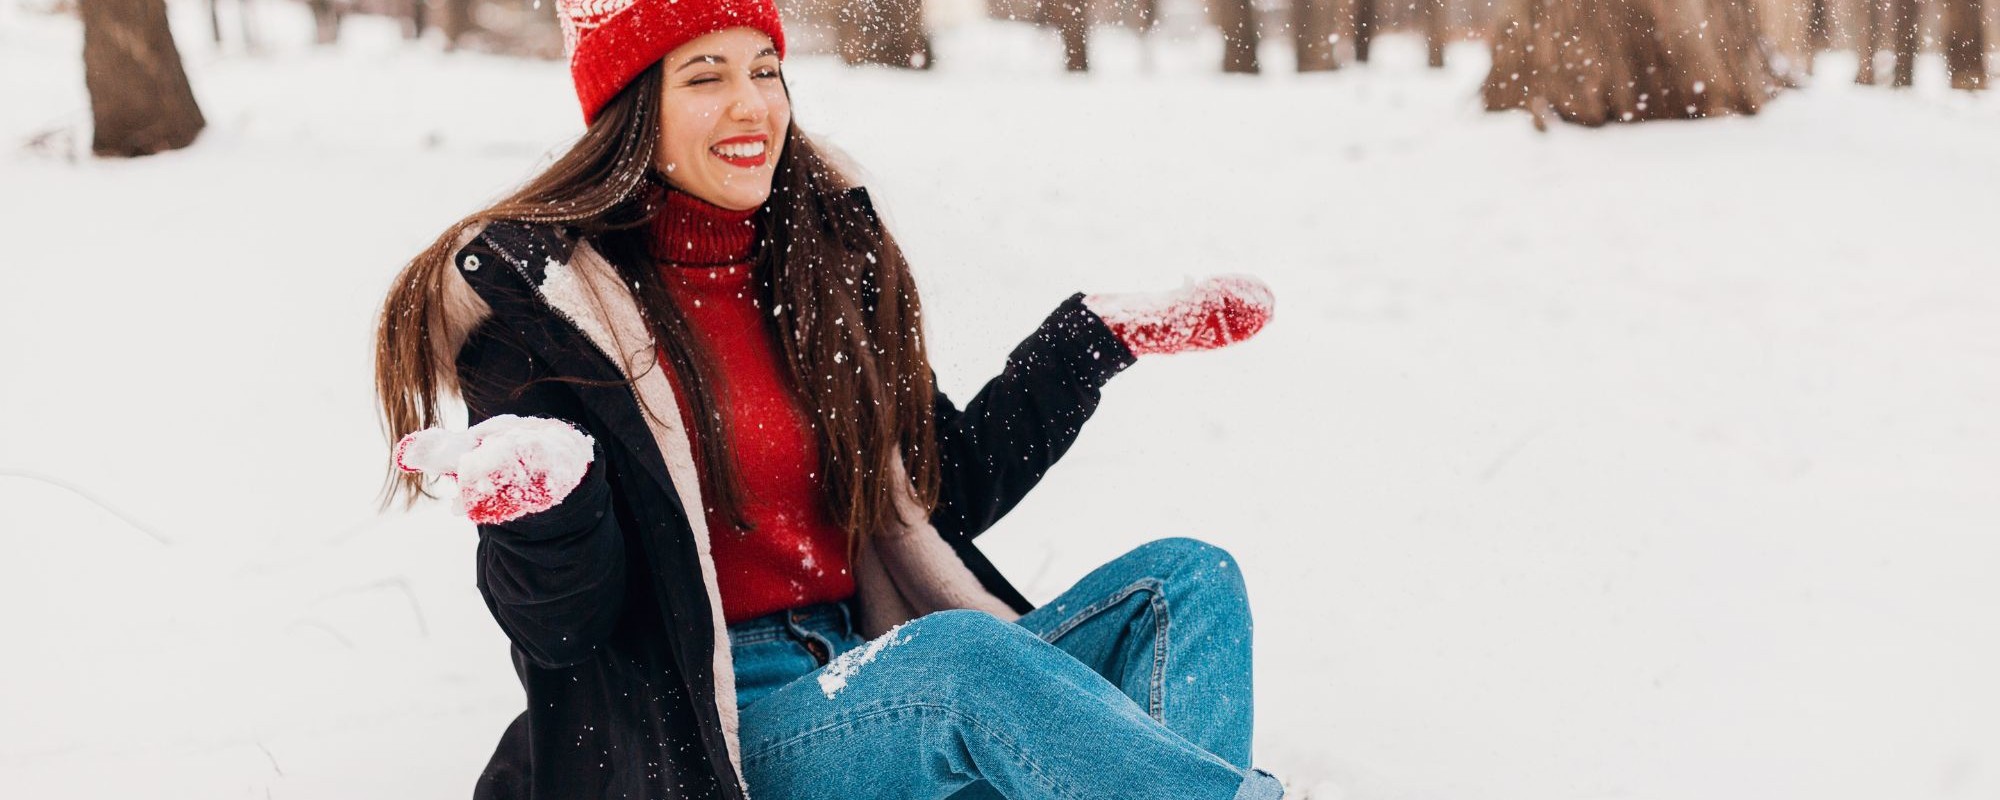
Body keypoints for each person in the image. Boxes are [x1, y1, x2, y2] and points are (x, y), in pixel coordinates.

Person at [374, 1, 1283, 797]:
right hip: (720, 736)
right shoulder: (555, 312)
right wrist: (546, 517)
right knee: (957, 664)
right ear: (631, 108)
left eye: (766, 69)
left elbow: (933, 493)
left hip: (872, 673)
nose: (751, 105)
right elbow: (568, 631)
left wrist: (1091, 341)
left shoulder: (820, 258)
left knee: (1187, 582)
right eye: (704, 76)